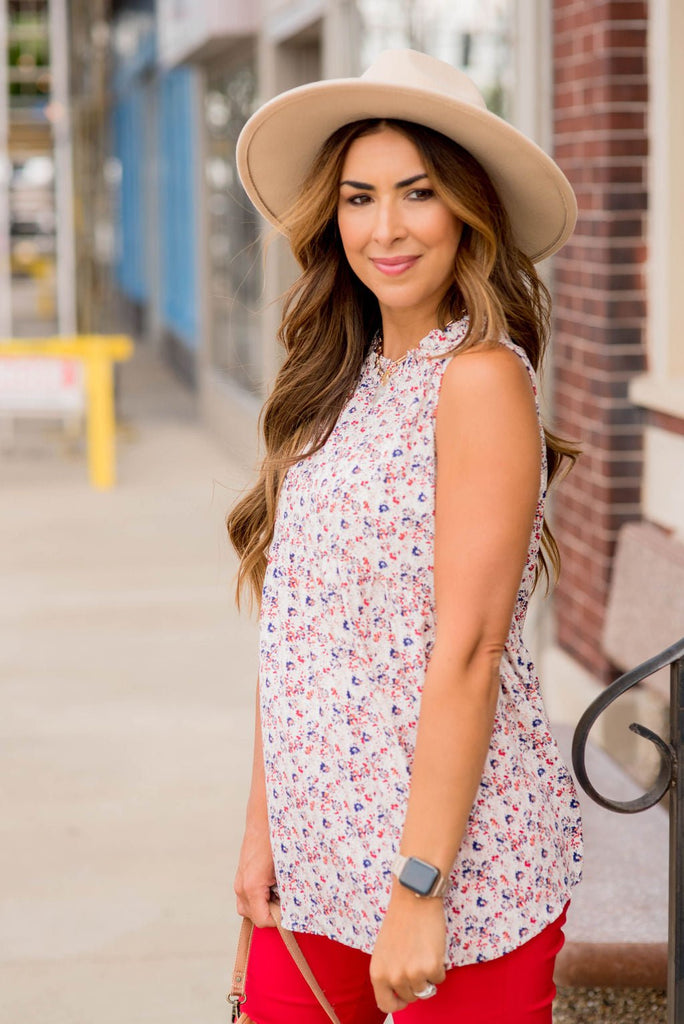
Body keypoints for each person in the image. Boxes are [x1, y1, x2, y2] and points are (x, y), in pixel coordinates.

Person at [226, 48, 583, 1024]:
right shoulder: (329, 384)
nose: (384, 228)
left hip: (461, 872)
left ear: (467, 207)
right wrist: (265, 832)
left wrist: (419, 890)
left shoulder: (477, 378)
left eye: (417, 193)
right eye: (358, 197)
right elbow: (295, 632)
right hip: (320, 856)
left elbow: (466, 651)